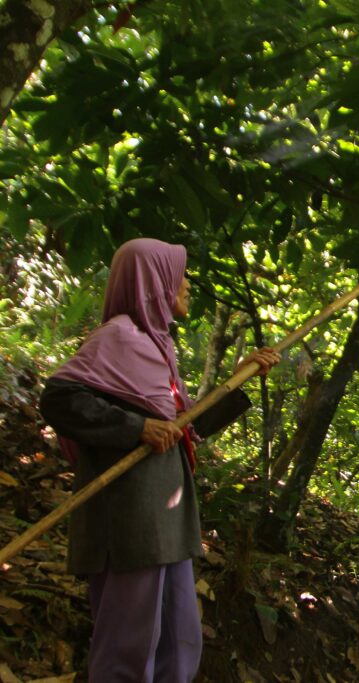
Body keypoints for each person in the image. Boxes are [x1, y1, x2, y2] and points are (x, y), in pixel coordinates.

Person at [39, 238, 280, 682]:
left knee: (178, 636)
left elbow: (186, 427)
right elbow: (58, 399)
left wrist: (238, 381)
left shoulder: (156, 348)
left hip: (166, 521)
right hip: (129, 522)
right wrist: (136, 428)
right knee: (129, 643)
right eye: (178, 275)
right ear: (153, 283)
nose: (185, 284)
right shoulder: (117, 337)